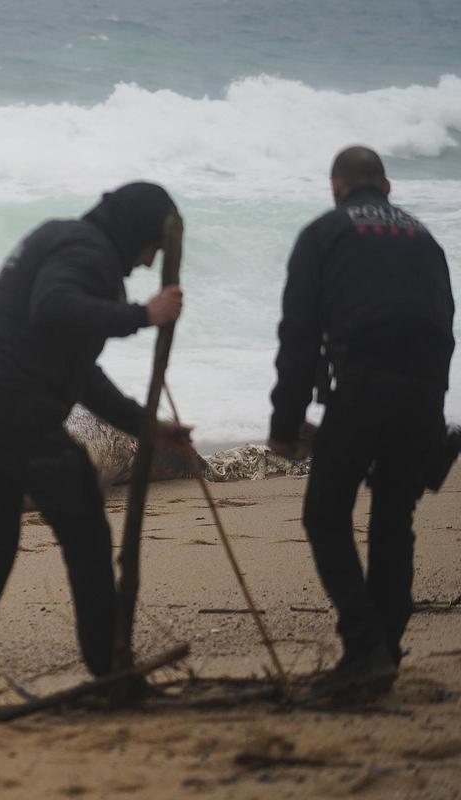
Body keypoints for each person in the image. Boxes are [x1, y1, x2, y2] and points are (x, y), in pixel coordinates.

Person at [0, 182, 190, 724]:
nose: (148, 263)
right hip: (14, 411)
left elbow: (79, 369)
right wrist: (143, 315)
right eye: (152, 249)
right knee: (88, 533)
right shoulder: (86, 252)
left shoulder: (62, 238)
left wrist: (145, 426)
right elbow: (53, 307)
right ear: (137, 233)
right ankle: (110, 672)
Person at [268, 145, 459, 699]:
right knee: (394, 517)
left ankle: (364, 644)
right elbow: (443, 322)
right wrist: (431, 405)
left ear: (337, 188)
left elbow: (299, 335)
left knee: (326, 514)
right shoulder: (425, 237)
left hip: (362, 385)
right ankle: (385, 652)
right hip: (426, 388)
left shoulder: (324, 233)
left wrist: (285, 423)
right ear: (387, 186)